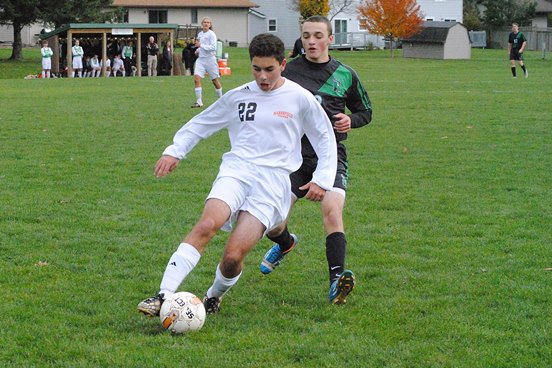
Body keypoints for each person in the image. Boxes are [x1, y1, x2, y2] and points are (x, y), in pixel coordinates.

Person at [137, 33, 338, 317]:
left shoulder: (300, 98)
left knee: (232, 258)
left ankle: (212, 296)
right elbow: (202, 123)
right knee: (207, 224)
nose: (263, 77)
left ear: (282, 64)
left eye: (269, 69)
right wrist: (175, 151)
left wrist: (322, 178)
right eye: (257, 69)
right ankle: (163, 295)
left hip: (273, 181)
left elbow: (325, 138)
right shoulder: (239, 96)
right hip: (237, 170)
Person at [259, 15, 373, 305]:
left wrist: (351, 119)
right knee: (272, 221)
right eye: (307, 35)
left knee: (333, 212)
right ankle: (285, 244)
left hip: (330, 155)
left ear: (330, 39)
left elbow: (366, 111)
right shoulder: (289, 71)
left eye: (318, 36)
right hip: (292, 158)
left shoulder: (345, 74)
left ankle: (337, 280)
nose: (312, 41)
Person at [191, 17, 223, 108]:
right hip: (201, 60)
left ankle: (221, 100)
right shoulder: (200, 34)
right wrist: (198, 50)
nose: (206, 24)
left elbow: (213, 47)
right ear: (202, 24)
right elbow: (199, 46)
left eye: (208, 22)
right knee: (196, 79)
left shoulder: (212, 34)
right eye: (204, 22)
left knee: (214, 80)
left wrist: (201, 45)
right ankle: (199, 102)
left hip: (210, 59)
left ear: (210, 24)